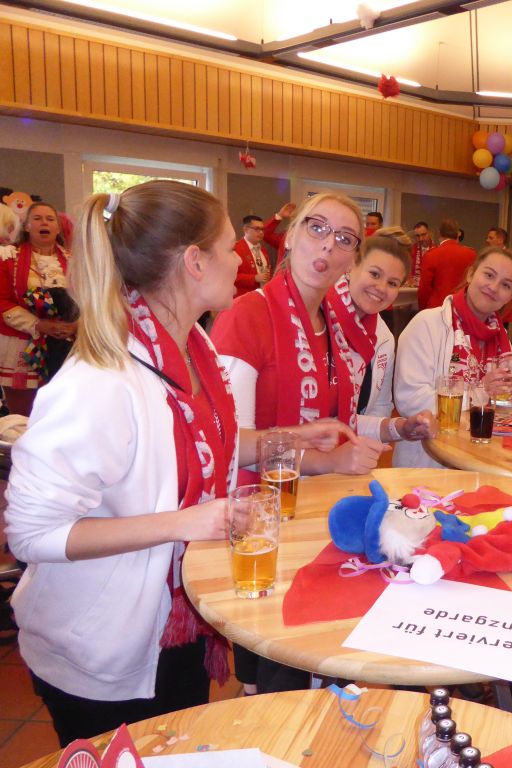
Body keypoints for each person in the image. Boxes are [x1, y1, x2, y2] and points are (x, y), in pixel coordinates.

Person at [4, 181, 345, 745]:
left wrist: (292, 438)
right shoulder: (100, 382)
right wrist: (183, 523)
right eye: (230, 247)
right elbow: (31, 533)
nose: (241, 261)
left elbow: (207, 445)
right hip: (101, 650)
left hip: (175, 623)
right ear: (194, 262)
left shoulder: (194, 347)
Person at [213, 191, 388, 482]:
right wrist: (327, 461)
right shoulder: (245, 315)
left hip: (318, 495)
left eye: (345, 239)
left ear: (352, 261)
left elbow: (333, 422)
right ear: (290, 237)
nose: (329, 244)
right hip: (257, 499)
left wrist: (392, 428)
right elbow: (228, 444)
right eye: (317, 227)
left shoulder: (335, 324)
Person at [394, 246, 512, 468]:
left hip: (483, 462)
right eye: (489, 275)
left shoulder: (501, 340)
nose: (494, 287)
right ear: (471, 274)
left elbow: (503, 410)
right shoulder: (427, 324)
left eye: (506, 285)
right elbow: (410, 400)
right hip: (430, 464)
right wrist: (479, 393)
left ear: (511, 296)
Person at [335, 226, 436, 443]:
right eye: (374, 274)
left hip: (353, 452)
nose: (381, 288)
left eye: (392, 283)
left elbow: (380, 406)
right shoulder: (318, 318)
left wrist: (394, 430)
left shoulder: (384, 338)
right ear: (351, 265)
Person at [0, 202, 77, 415]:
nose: (44, 223)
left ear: (58, 228)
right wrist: (39, 325)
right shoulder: (8, 258)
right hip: (23, 344)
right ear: (26, 226)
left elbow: (90, 300)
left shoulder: (75, 261)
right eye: (37, 218)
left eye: (50, 219)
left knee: (65, 410)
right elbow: (2, 301)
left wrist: (76, 325)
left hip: (68, 344)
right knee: (24, 414)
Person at [417, 218, 476, 310]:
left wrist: (423, 310)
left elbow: (424, 289)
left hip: (437, 309)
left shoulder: (431, 255)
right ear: (457, 234)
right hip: (463, 308)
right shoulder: (472, 254)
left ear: (439, 233)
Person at [233, 214, 280, 297]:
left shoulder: (263, 250)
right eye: (257, 229)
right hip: (243, 296)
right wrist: (254, 278)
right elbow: (230, 276)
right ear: (246, 229)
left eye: (262, 229)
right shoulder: (235, 249)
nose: (261, 232)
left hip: (262, 294)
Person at [408, 220, 433, 287]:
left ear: (429, 233)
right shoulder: (411, 250)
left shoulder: (437, 250)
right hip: (413, 288)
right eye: (417, 236)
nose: (421, 238)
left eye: (423, 234)